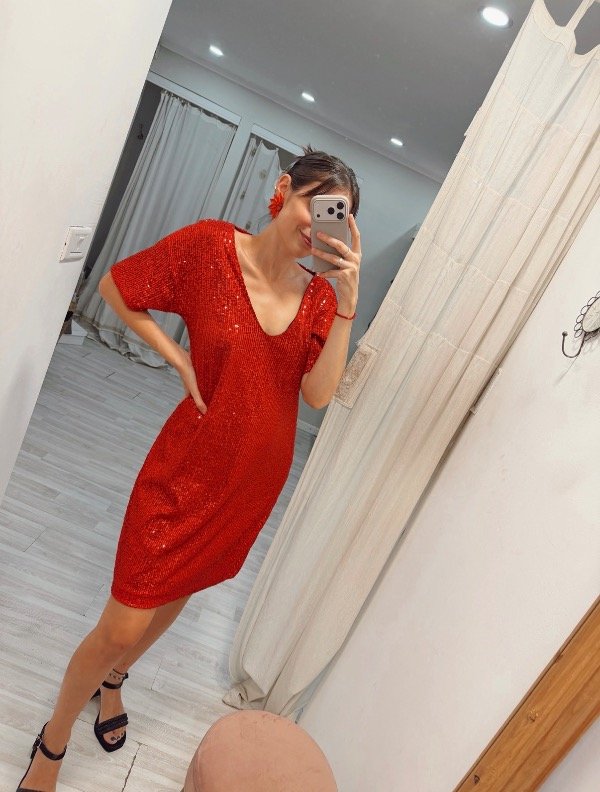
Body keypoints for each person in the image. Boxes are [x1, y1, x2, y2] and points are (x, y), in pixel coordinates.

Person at [16, 146, 361, 791]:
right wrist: (177, 357)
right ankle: (52, 742)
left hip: (251, 483)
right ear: (283, 191)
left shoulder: (319, 300)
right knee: (122, 623)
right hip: (186, 468)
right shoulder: (209, 249)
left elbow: (317, 396)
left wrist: (346, 304)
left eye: (339, 217)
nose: (321, 226)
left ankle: (115, 682)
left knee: (178, 592)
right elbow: (117, 286)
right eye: (316, 206)